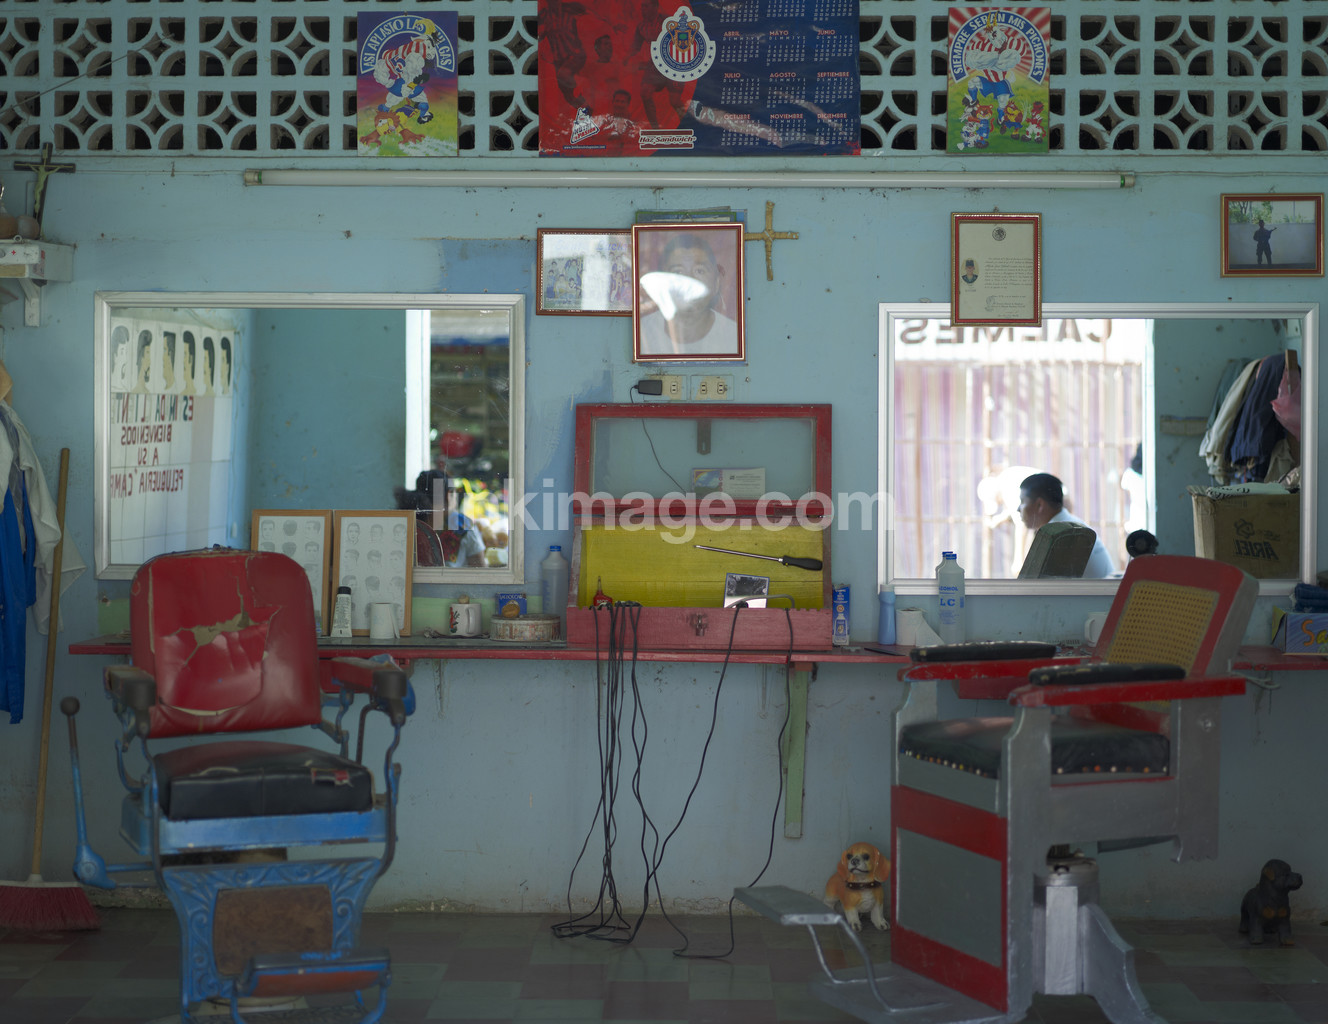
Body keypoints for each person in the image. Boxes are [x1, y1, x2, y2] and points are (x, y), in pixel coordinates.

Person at [638, 232, 739, 356]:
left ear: (716, 284)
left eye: (699, 271)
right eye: (678, 272)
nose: (689, 282)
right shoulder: (642, 333)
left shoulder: (734, 337)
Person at [1017, 472, 1116, 578]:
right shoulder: (1070, 525)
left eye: (1022, 501)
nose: (1018, 509)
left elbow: (1035, 585)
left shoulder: (1061, 536)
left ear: (1040, 505)